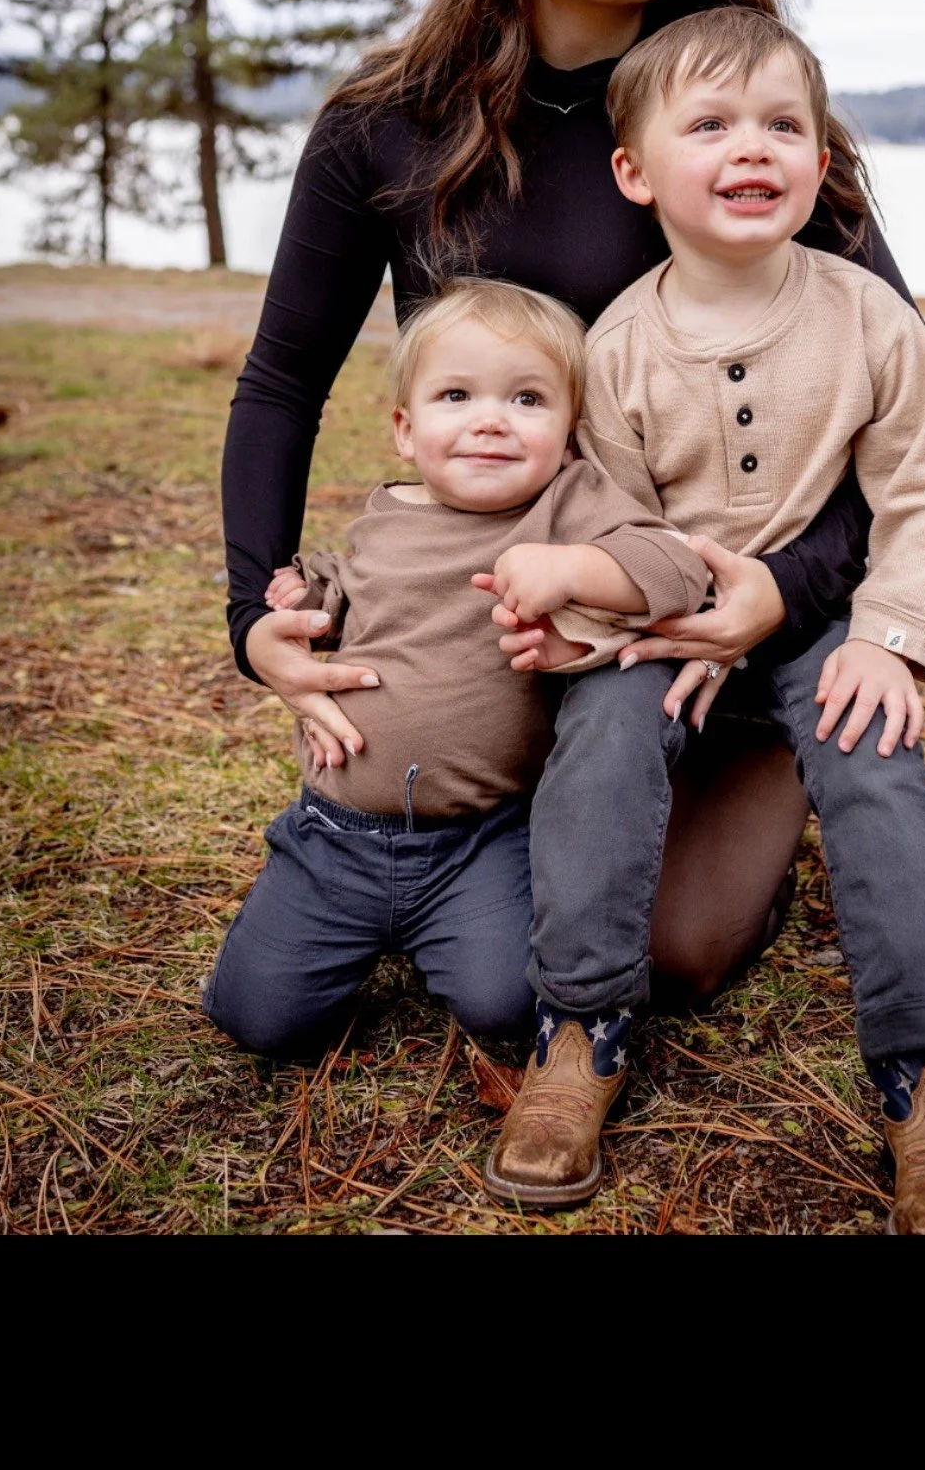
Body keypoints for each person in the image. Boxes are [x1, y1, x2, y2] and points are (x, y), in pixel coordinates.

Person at [221, 0, 920, 1033]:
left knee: (667, 957)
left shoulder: (749, 121)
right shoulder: (384, 121)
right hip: (497, 619)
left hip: (706, 621)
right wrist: (251, 620)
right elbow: (278, 385)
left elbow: (898, 411)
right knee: (528, 926)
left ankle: (757, 762)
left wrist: (778, 590)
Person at [482, 9, 925, 1235]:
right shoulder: (616, 350)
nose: (752, 148)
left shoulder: (868, 316)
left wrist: (891, 635)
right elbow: (612, 525)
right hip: (666, 632)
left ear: (821, 163)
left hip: (824, 627)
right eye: (708, 125)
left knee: (877, 765)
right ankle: (580, 1033)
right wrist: (639, 622)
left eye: (783, 125)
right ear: (636, 171)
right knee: (600, 742)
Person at [204, 279, 708, 1058]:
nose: (490, 421)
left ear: (571, 430)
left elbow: (677, 568)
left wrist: (575, 568)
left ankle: (444, 935)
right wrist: (308, 597)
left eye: (528, 400)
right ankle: (310, 935)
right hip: (337, 836)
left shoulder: (567, 505)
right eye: (456, 394)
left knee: (506, 1007)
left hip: (483, 841)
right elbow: (347, 592)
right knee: (260, 1020)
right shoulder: (388, 515)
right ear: (406, 430)